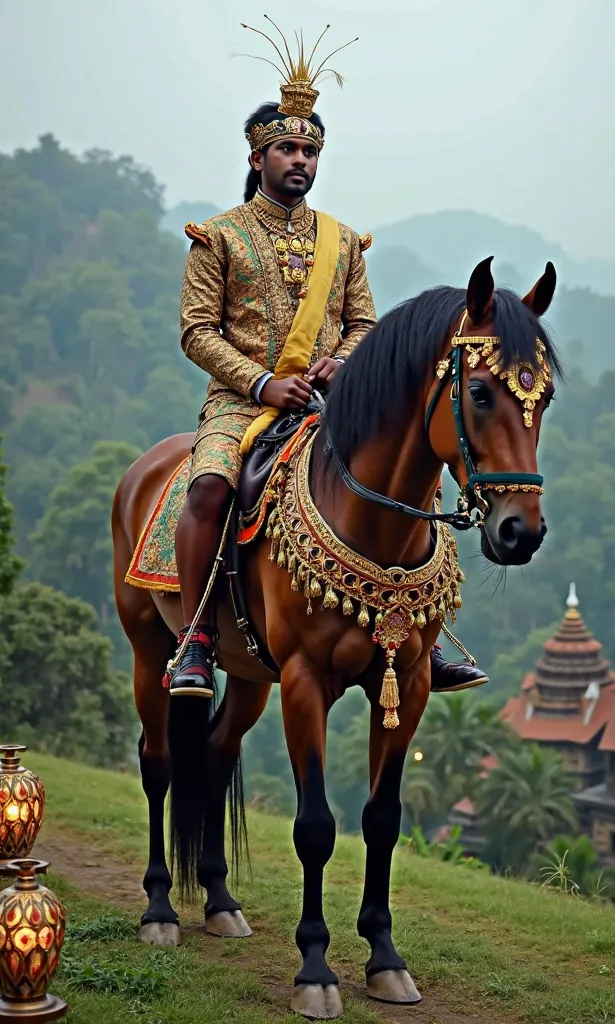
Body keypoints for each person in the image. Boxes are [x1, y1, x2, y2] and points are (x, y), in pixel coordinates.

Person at [167, 21, 488, 698]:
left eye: (310, 151)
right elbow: (196, 331)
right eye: (286, 148)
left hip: (326, 404)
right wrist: (259, 380)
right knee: (208, 488)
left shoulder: (343, 243)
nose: (301, 161)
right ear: (258, 157)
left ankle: (430, 639)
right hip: (239, 402)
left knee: (410, 479)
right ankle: (196, 637)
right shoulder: (218, 237)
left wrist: (341, 363)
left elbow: (363, 324)